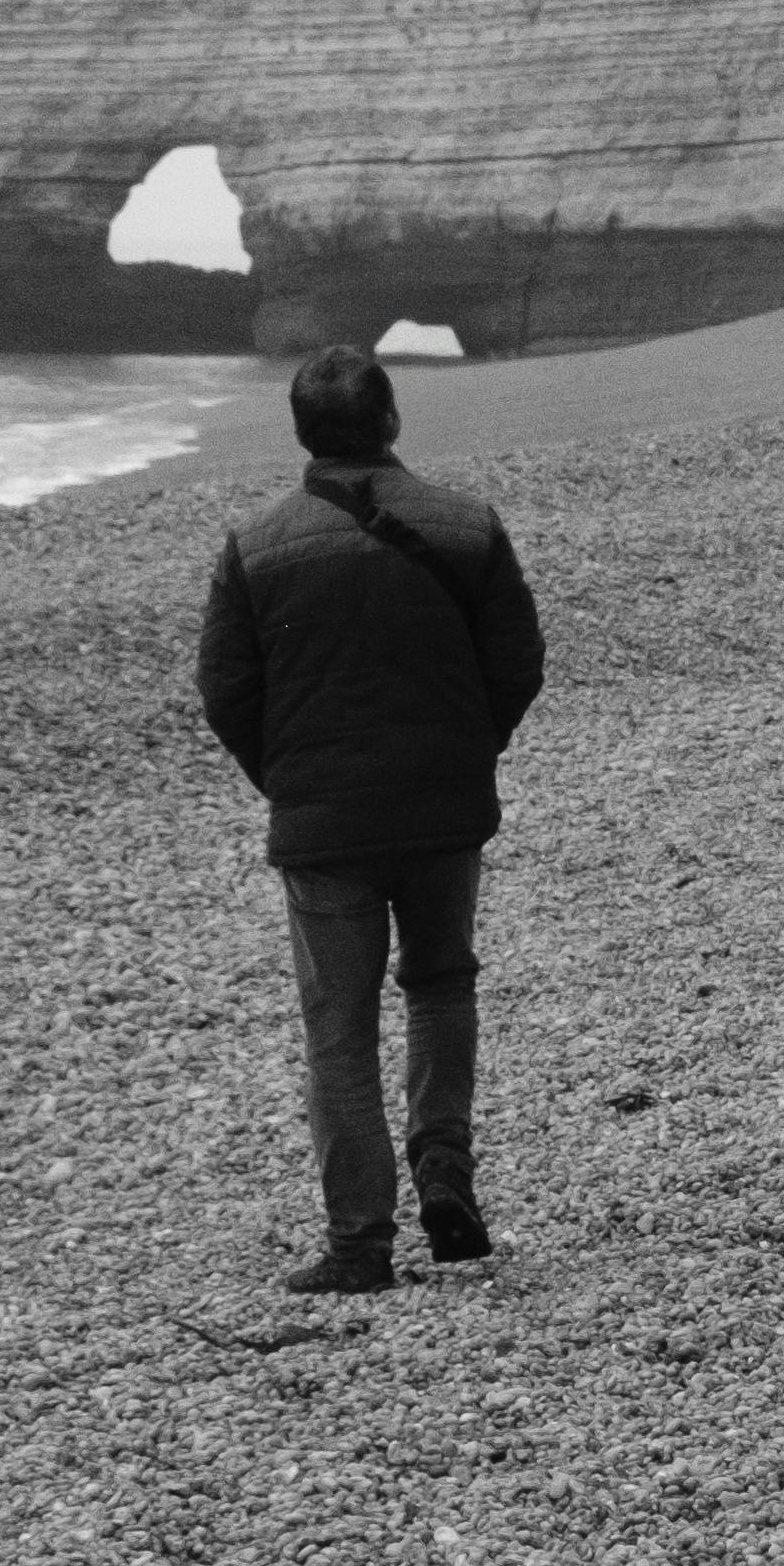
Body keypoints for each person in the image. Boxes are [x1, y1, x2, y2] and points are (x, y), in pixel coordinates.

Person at [194, 345, 547, 1294]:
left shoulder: (258, 542)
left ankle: (359, 1245)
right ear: (391, 423)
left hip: (324, 825)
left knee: (338, 1030)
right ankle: (445, 1174)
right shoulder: (466, 523)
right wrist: (469, 755)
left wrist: (289, 779)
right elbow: (516, 663)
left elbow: (226, 690)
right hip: (442, 809)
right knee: (440, 986)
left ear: (303, 434)